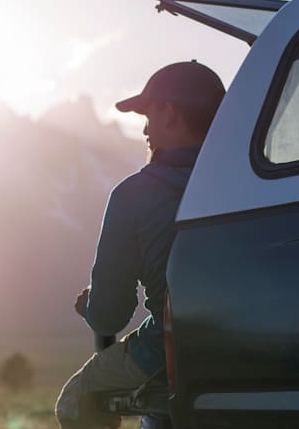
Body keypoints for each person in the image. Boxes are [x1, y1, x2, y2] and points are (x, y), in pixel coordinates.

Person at [55, 60, 225, 428]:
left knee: (76, 400)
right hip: (243, 342)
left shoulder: (134, 195)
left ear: (170, 112)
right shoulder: (242, 179)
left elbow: (110, 315)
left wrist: (88, 308)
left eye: (148, 114)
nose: (145, 128)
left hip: (170, 349)